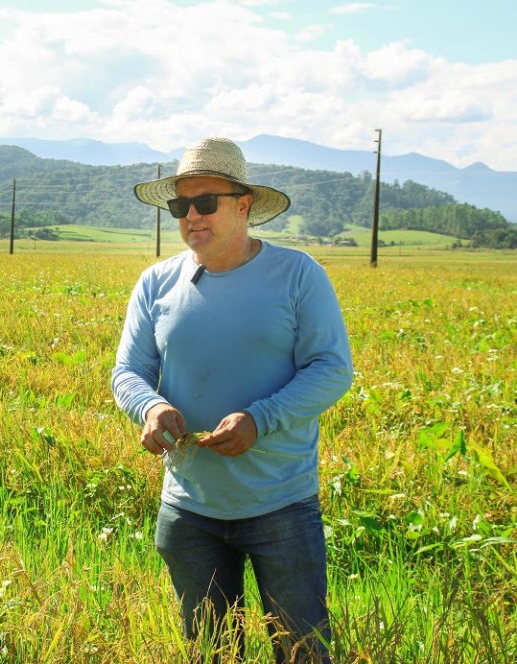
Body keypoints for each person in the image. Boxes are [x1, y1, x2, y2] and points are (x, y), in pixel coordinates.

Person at [111, 137, 353, 662]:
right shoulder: (156, 283)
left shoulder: (298, 275)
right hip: (189, 509)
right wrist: (150, 408)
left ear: (244, 206)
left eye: (205, 202)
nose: (191, 216)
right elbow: (128, 372)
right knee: (211, 653)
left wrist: (260, 420)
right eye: (181, 205)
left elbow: (333, 369)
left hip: (281, 507)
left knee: (303, 651)